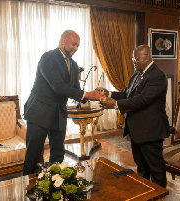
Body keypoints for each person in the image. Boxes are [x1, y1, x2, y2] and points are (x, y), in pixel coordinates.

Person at [23, 30, 105, 175]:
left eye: (78, 45)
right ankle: (30, 192)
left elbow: (75, 90)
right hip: (39, 113)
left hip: (58, 113)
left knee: (58, 155)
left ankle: (54, 189)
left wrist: (93, 95)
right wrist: (86, 94)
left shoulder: (73, 65)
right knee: (33, 156)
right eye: (74, 44)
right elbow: (58, 86)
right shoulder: (48, 58)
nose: (76, 48)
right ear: (63, 40)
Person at [99, 45, 170, 188]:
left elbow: (143, 99)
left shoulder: (158, 75)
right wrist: (110, 94)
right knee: (141, 167)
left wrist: (115, 104)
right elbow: (127, 94)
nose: (134, 62)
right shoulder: (137, 74)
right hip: (137, 130)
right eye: (133, 59)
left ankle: (159, 196)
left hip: (151, 131)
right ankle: (144, 192)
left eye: (136, 59)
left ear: (147, 57)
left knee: (156, 169)